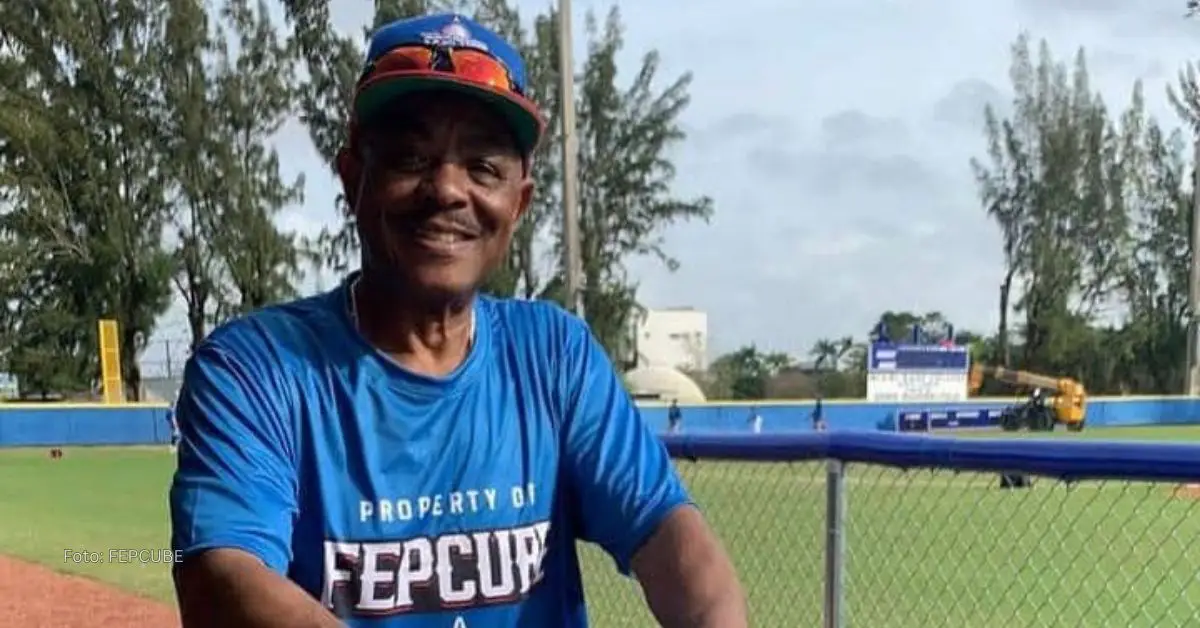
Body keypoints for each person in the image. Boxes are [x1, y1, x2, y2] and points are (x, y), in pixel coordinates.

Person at [167, 13, 746, 628]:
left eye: (483, 167)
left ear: (517, 203)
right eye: (412, 158)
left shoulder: (554, 356)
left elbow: (667, 532)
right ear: (354, 178)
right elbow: (220, 572)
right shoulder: (256, 369)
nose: (447, 189)